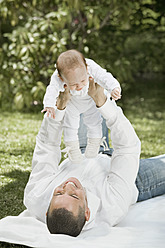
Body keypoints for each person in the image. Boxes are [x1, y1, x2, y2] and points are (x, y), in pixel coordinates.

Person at [24, 78, 165, 237]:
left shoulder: (36, 196)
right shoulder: (112, 206)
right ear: (87, 213)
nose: (68, 186)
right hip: (132, 179)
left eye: (58, 193)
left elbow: (47, 146)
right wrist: (103, 103)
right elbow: (127, 148)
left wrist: (60, 107)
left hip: (83, 151)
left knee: (83, 88)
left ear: (46, 211)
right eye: (74, 195)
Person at [41, 49, 121, 163]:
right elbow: (52, 89)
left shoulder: (90, 66)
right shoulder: (57, 77)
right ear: (61, 78)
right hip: (72, 101)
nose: (79, 86)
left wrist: (114, 87)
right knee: (70, 125)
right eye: (73, 84)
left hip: (90, 98)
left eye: (83, 80)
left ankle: (94, 143)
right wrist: (49, 104)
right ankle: (72, 148)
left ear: (86, 69)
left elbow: (104, 76)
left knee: (94, 121)